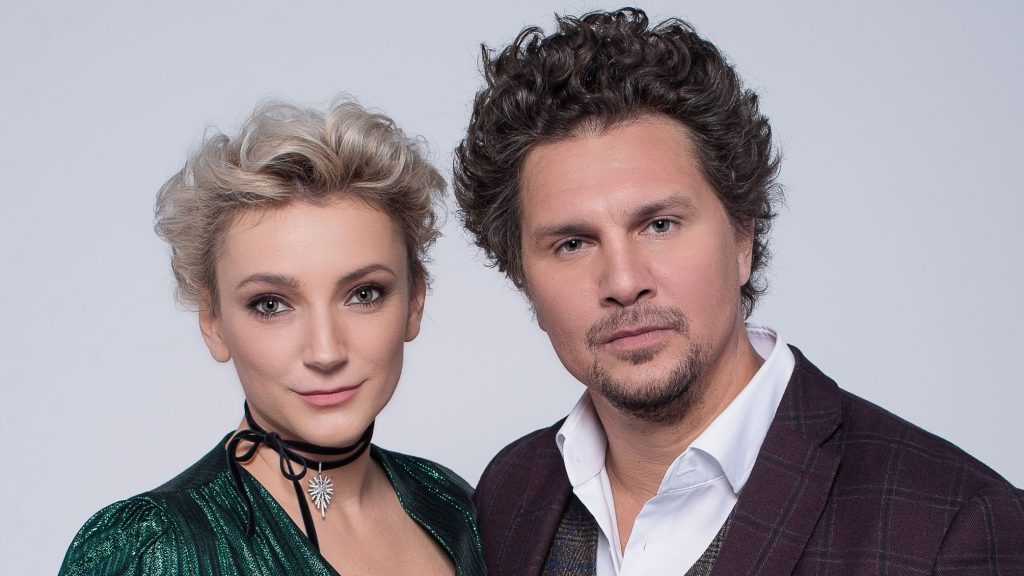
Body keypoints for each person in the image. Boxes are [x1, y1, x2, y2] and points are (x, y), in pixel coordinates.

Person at [454, 8, 1024, 576]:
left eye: (660, 225)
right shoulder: (509, 492)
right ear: (522, 277)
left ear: (742, 236)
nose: (624, 283)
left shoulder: (953, 525)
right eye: (573, 244)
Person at [60, 99, 485, 575]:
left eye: (364, 294)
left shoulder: (454, 507)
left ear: (415, 302)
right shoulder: (153, 548)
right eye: (270, 304)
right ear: (213, 321)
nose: (325, 351)